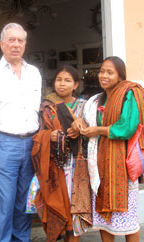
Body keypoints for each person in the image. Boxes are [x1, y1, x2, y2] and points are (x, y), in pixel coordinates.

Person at [72, 56, 144, 242]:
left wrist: (98, 130)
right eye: (102, 71)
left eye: (110, 72)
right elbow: (84, 118)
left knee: (129, 221)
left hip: (121, 164)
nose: (104, 76)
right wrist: (79, 121)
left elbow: (127, 127)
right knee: (105, 220)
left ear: (120, 76)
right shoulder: (97, 99)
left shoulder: (129, 93)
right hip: (99, 164)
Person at [0, 23, 42, 242]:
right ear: (2, 44)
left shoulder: (34, 73)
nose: (16, 44)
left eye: (20, 40)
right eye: (11, 40)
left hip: (31, 142)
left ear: (25, 44)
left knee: (25, 200)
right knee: (4, 201)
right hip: (3, 142)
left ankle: (21, 239)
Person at [31, 65, 92, 242]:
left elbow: (93, 132)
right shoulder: (47, 107)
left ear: (76, 85)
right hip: (54, 166)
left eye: (67, 80)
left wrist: (82, 128)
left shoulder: (84, 107)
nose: (62, 84)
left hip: (78, 167)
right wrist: (48, 136)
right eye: (59, 80)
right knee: (58, 207)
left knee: (75, 211)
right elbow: (36, 135)